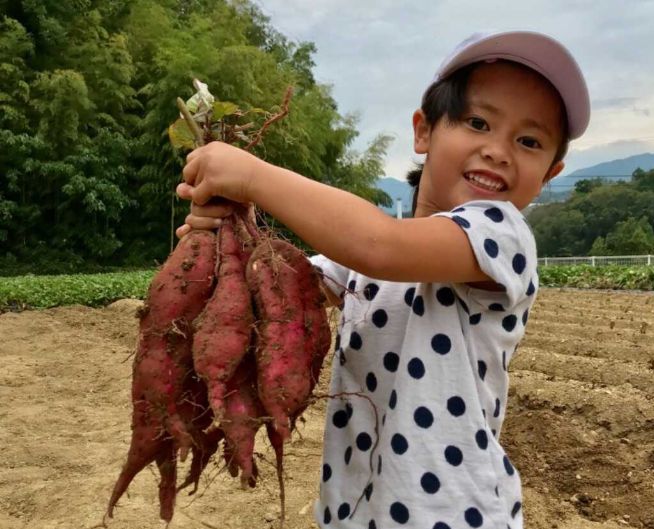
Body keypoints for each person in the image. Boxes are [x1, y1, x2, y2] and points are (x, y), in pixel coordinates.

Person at [175, 30, 590, 529]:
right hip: (355, 506)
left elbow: (377, 245)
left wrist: (251, 176)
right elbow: (285, 293)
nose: (499, 151)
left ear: (549, 173)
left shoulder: (499, 236)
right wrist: (225, 238)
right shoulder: (366, 258)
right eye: (478, 122)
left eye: (528, 141)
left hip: (453, 513)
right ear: (423, 131)